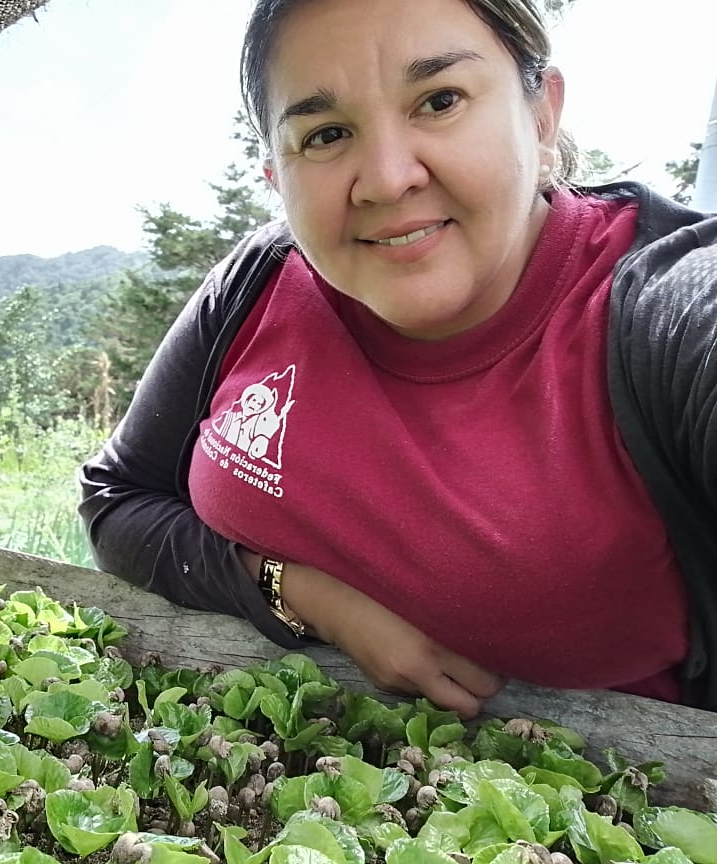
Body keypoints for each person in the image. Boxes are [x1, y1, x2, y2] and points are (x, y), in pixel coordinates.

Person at [78, 0, 717, 719]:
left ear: (542, 117)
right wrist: (313, 600)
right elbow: (119, 499)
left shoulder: (670, 312)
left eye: (440, 100)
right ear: (274, 176)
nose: (385, 179)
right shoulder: (259, 283)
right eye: (325, 134)